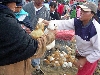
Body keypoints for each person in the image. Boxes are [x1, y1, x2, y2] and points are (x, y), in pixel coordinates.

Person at [43, 2, 100, 75]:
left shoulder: (95, 29)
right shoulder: (78, 21)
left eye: (85, 11)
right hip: (81, 54)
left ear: (92, 14)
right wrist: (50, 23)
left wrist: (85, 60)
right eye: (81, 9)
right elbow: (64, 23)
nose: (81, 12)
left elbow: (98, 52)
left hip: (90, 58)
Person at [0, 0, 55, 75]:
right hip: (11, 67)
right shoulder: (7, 21)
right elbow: (31, 47)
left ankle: (35, 67)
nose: (15, 7)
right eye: (15, 3)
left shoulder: (45, 10)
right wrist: (50, 36)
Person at [23, 0, 50, 71]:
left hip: (38, 37)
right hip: (26, 36)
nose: (40, 1)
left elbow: (47, 24)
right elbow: (20, 19)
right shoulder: (26, 7)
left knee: (37, 50)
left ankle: (35, 66)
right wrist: (23, 27)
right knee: (26, 53)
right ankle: (26, 66)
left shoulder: (46, 11)